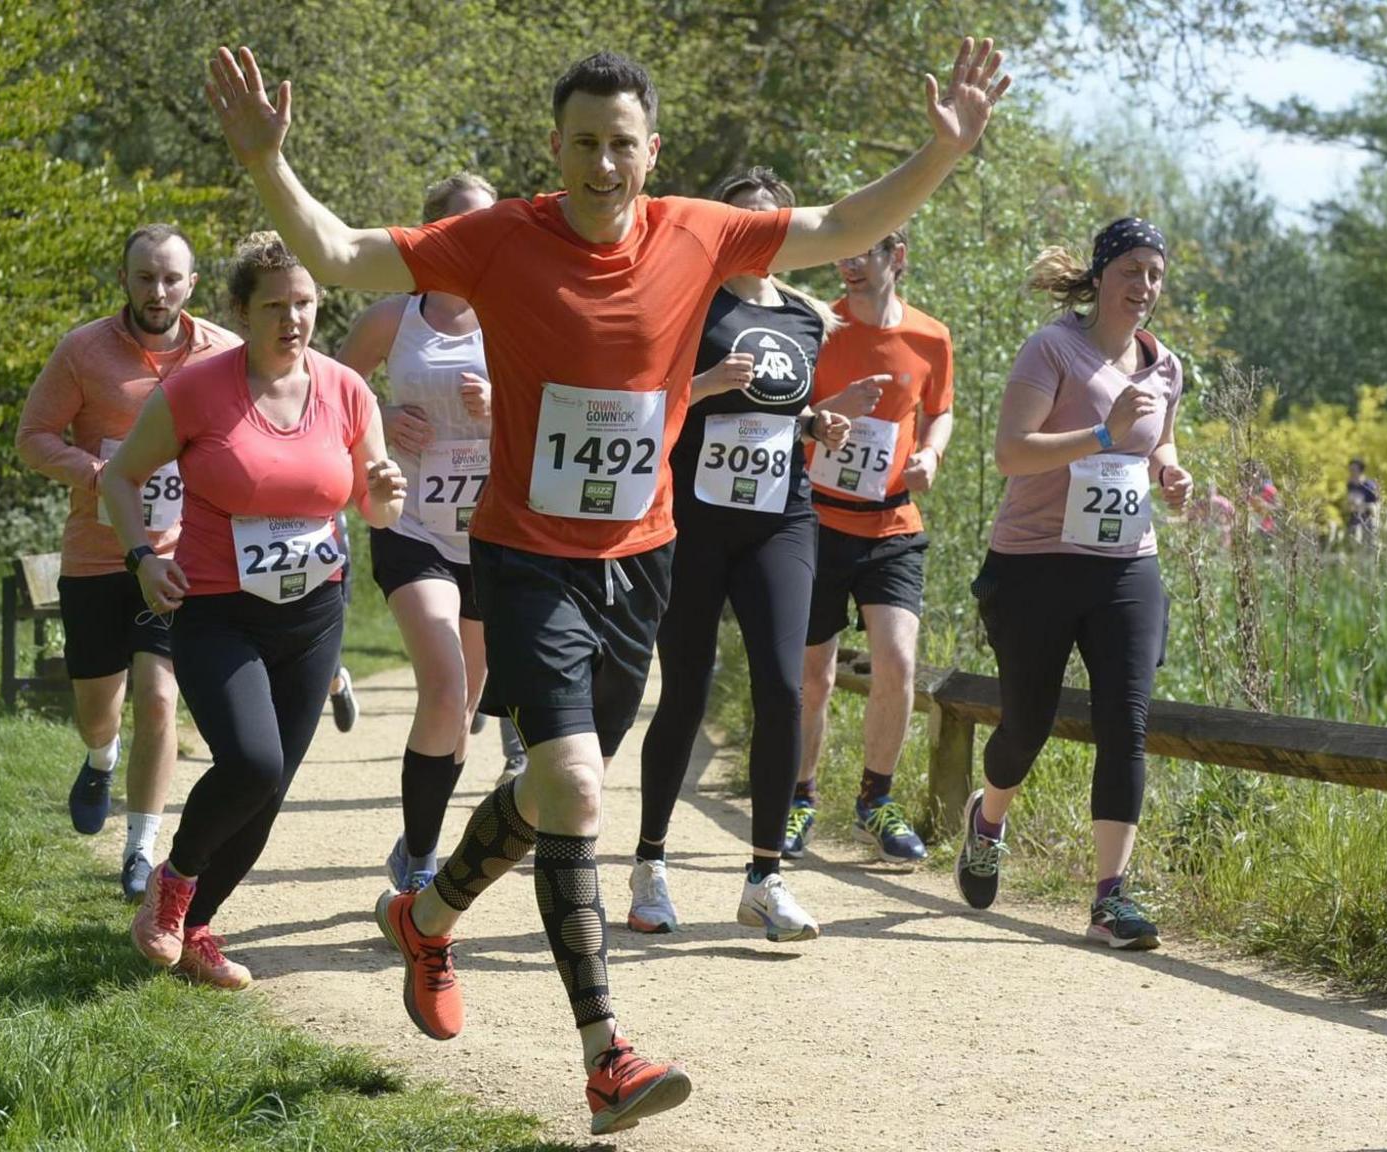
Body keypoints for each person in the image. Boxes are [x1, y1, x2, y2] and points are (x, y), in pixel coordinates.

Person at [204, 37, 1007, 1134]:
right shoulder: (498, 241)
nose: (600, 164)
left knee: (550, 795)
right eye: (581, 143)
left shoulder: (698, 230)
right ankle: (604, 1056)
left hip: (640, 562)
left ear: (649, 150)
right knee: (577, 787)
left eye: (619, 144)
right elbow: (343, 253)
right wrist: (265, 165)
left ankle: (426, 919)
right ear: (555, 147)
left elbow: (838, 228)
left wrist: (939, 154)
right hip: (525, 557)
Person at [111, 233, 405, 989]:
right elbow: (121, 477)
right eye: (275, 305)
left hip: (315, 612)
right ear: (240, 311)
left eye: (305, 303)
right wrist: (145, 559)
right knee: (252, 762)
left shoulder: (346, 389)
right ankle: (169, 888)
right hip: (217, 608)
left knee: (271, 789)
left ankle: (196, 924)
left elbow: (368, 498)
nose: (293, 319)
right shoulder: (198, 390)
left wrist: (385, 495)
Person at [955, 217, 1193, 951]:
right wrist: (1100, 433)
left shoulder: (1165, 366)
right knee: (1027, 723)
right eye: (1132, 271)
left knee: (1127, 720)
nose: (1145, 287)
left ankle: (1110, 898)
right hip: (1035, 562)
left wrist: (1169, 471)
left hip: (1126, 563)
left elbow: (1159, 438)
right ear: (1101, 274)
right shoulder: (1051, 348)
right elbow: (1011, 453)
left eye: (1155, 274)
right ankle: (988, 819)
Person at [628, 167, 853, 943]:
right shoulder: (691, 299)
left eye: (771, 220)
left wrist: (817, 424)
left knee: (785, 689)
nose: (757, 230)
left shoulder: (806, 317)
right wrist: (709, 383)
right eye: (742, 219)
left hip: (781, 517)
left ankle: (764, 877)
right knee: (686, 689)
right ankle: (650, 864)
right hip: (692, 518)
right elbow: (645, 399)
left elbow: (785, 411)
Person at [15, 223, 241, 900]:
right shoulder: (83, 351)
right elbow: (32, 438)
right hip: (96, 555)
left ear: (192, 285)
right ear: (125, 280)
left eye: (171, 278)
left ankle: (141, 849)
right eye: (145, 277)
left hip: (176, 558)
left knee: (161, 697)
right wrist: (102, 476)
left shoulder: (223, 353)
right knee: (97, 708)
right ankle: (99, 757)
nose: (158, 291)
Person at [333, 171, 526, 894]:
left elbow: (550, 419)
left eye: (490, 225)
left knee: (465, 706)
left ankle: (416, 838)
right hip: (410, 520)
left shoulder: (518, 314)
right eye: (463, 227)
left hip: (489, 529)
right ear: (435, 233)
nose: (478, 240)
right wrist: (383, 416)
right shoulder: (393, 318)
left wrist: (497, 411)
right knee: (444, 687)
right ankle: (419, 864)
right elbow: (330, 399)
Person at [784, 227, 954, 868]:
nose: (850, 264)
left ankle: (875, 802)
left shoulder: (930, 336)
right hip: (818, 521)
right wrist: (830, 410)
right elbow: (782, 409)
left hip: (892, 525)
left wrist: (932, 452)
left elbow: (939, 408)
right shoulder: (816, 326)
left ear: (897, 258)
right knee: (814, 677)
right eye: (843, 253)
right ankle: (799, 798)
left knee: (898, 663)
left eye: (865, 253)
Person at [1345, 457, 1381, 541]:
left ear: (1360, 470)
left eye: (1354, 469)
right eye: (1350, 469)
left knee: (1370, 542)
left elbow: (1377, 503)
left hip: (1369, 518)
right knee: (1353, 541)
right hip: (1355, 517)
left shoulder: (1369, 485)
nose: (1351, 472)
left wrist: (1363, 505)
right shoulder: (1350, 485)